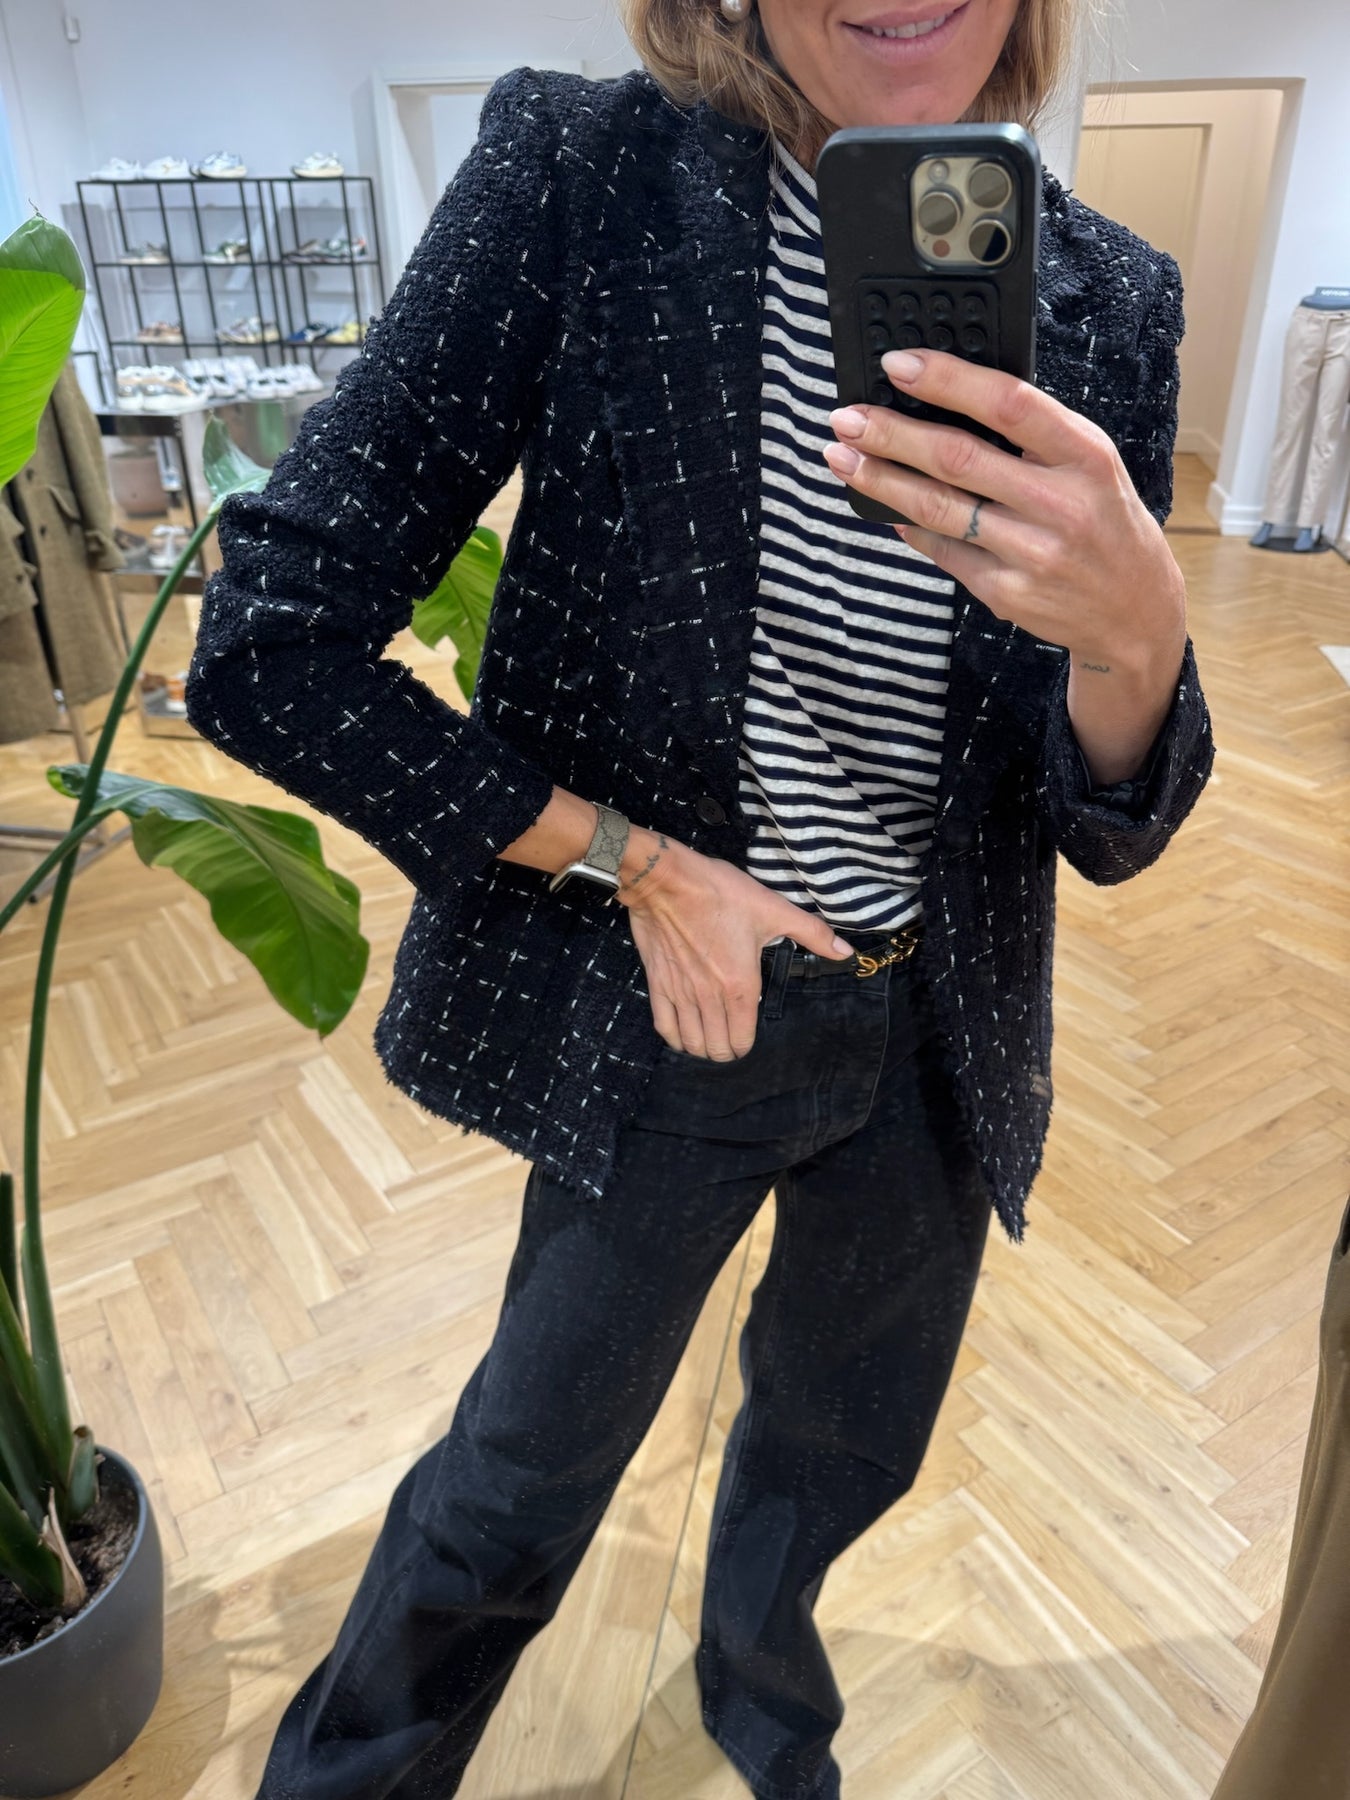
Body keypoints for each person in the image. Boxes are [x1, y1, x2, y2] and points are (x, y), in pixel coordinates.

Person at [185, 1, 1214, 1795]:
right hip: (669, 1014)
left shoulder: (1110, 297)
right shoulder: (584, 177)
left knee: (840, 1455)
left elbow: (1104, 821)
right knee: (514, 1488)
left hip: (936, 1035)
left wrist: (1138, 637)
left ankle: (763, 1720)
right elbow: (269, 642)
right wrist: (637, 863)